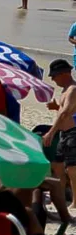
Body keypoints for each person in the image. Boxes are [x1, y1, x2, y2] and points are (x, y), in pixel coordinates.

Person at [45, 59, 76, 215]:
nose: (53, 79)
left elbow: (65, 114)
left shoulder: (72, 89)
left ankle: (75, 202)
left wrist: (51, 132)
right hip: (64, 132)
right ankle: (61, 195)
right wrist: (55, 107)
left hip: (72, 132)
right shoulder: (65, 89)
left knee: (72, 169)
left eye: (55, 75)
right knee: (57, 165)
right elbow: (64, 110)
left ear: (64, 73)